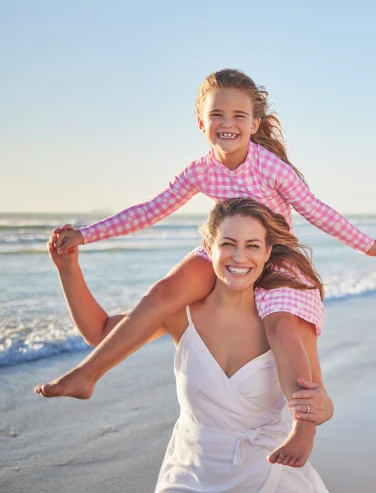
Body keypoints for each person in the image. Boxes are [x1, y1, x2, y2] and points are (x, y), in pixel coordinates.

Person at [37, 68, 376, 466]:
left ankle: (302, 428)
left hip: (277, 253)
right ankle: (87, 375)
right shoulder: (200, 170)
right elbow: (150, 211)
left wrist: (370, 245)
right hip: (223, 251)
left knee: (282, 326)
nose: (228, 124)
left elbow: (315, 210)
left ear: (254, 123)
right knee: (161, 295)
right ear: (201, 122)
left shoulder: (270, 167)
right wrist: (86, 236)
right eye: (217, 115)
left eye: (239, 115)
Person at [36, 199, 332, 491]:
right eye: (228, 244)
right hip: (190, 475)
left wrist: (316, 416)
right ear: (208, 249)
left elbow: (320, 404)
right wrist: (68, 270)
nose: (239, 257)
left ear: (267, 252)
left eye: (252, 246)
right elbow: (101, 334)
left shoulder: (289, 325)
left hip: (272, 471)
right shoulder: (180, 315)